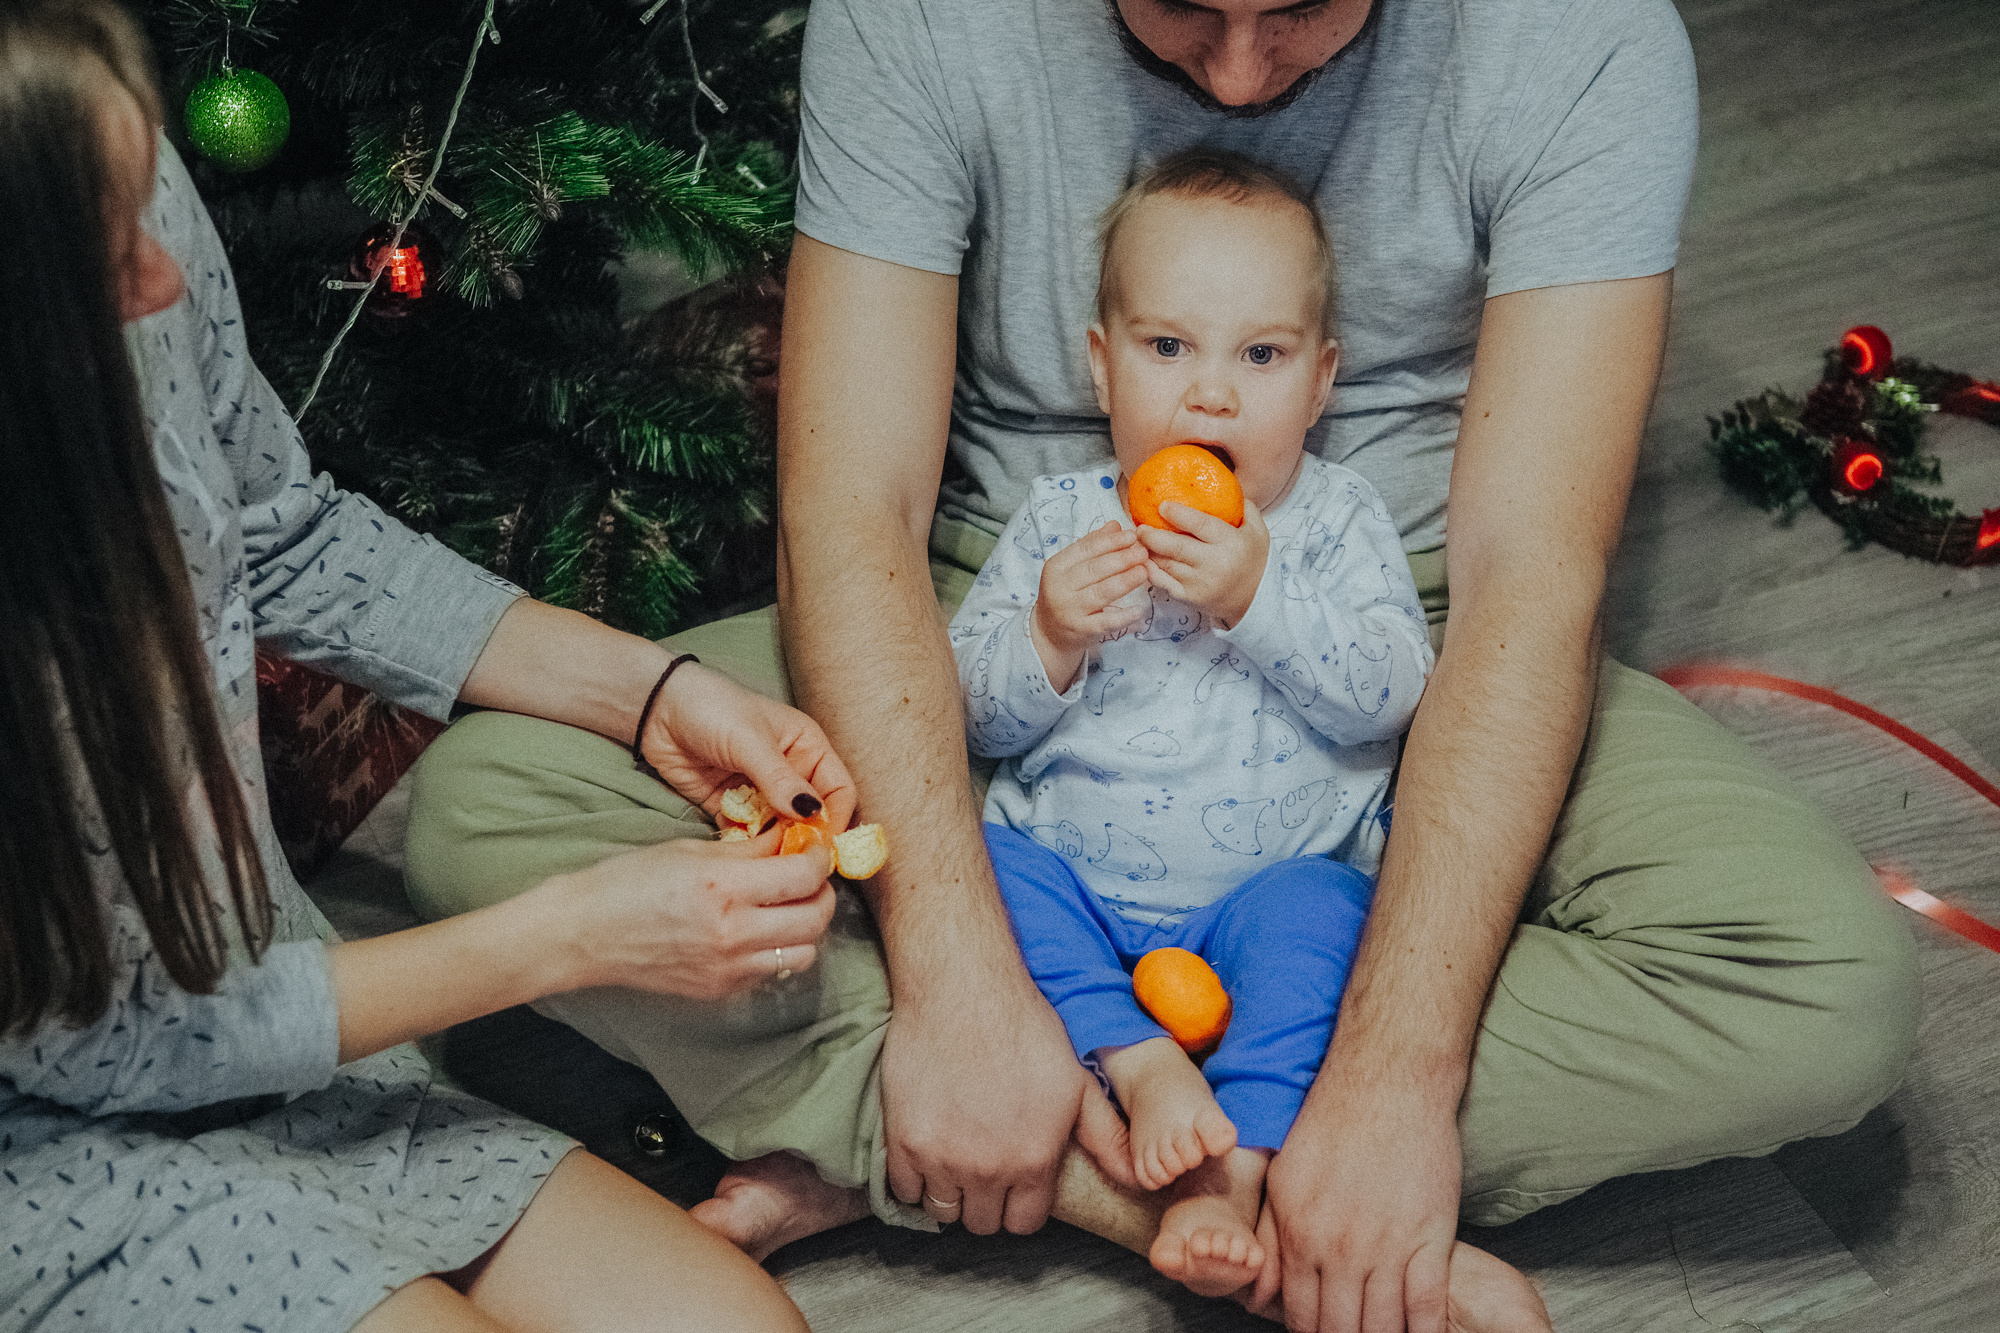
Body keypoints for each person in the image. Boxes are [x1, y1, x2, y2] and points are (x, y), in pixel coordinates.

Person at [407, 0, 1921, 1329]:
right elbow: (847, 504)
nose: (1246, 76)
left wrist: (1404, 1084)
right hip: (1002, 578)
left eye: (1309, 11)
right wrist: (951, 964)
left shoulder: (1581, 42)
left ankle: (946, 1143)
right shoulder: (916, 21)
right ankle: (1166, 1189)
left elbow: (1532, 580)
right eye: (1182, 10)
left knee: (1827, 994)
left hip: (1406, 600)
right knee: (492, 799)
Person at [0, 3, 850, 1330]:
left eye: (148, 190)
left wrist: (656, 697)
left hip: (274, 1013)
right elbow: (127, 1043)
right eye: (111, 257)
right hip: (49, 1150)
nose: (165, 273)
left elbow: (284, 532)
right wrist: (574, 929)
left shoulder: (111, 181)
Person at [955, 148, 1434, 1298]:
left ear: (1319, 383)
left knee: (1330, 924)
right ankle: (1141, 1061)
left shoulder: (1331, 523)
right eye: (1167, 347)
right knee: (979, 867)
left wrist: (1254, 597)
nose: (1209, 394)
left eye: (1259, 355)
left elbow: (1393, 688)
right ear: (1101, 364)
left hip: (1265, 889)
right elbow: (964, 713)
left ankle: (1237, 1171)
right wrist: (1048, 635)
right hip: (1075, 874)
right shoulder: (1058, 521)